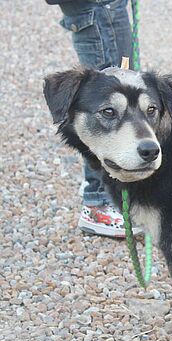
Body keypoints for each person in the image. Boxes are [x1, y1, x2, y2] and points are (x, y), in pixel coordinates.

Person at [46, 0, 139, 238]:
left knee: (119, 94)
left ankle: (102, 193)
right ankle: (98, 202)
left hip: (100, 6)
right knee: (108, 99)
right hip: (98, 5)